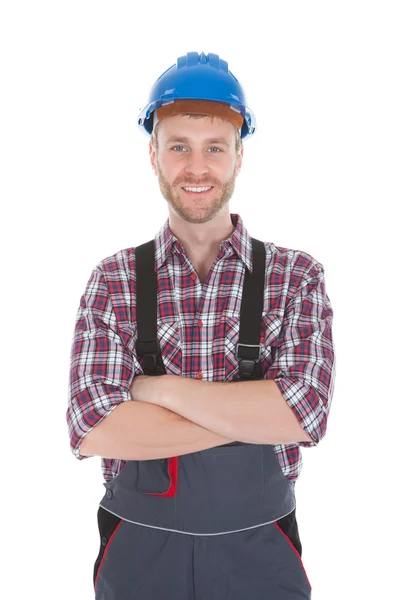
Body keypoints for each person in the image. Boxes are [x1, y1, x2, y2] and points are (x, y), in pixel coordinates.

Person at [66, 51, 336, 600]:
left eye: (215, 148)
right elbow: (94, 427)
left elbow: (306, 411)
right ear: (153, 155)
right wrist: (256, 415)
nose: (197, 167)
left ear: (240, 156)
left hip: (260, 557)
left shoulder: (295, 275)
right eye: (179, 147)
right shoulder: (113, 279)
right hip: (141, 557)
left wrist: (156, 391)